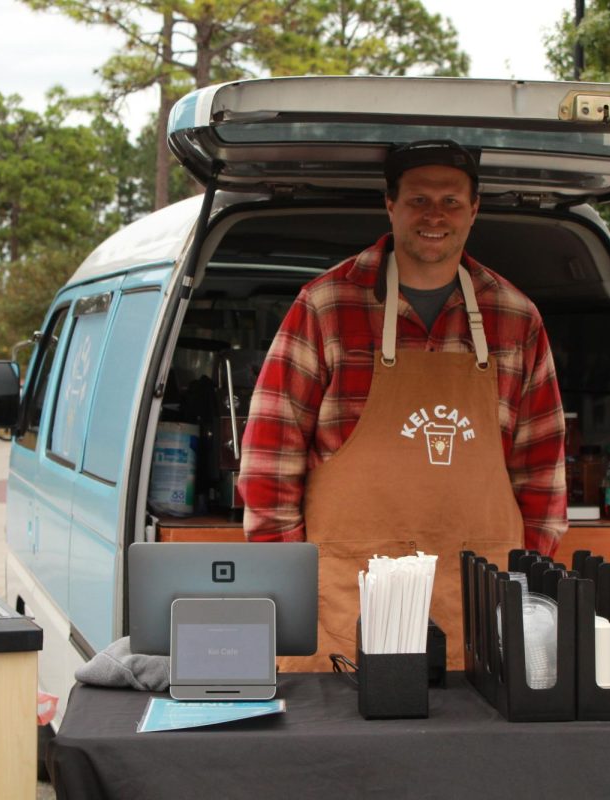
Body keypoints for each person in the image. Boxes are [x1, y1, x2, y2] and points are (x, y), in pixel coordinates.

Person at [238, 140, 567, 671]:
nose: (434, 215)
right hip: (349, 604)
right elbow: (269, 464)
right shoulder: (326, 305)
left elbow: (542, 474)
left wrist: (519, 581)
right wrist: (292, 587)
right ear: (390, 206)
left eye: (451, 201)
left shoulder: (516, 317)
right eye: (418, 200)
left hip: (478, 607)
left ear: (474, 209)